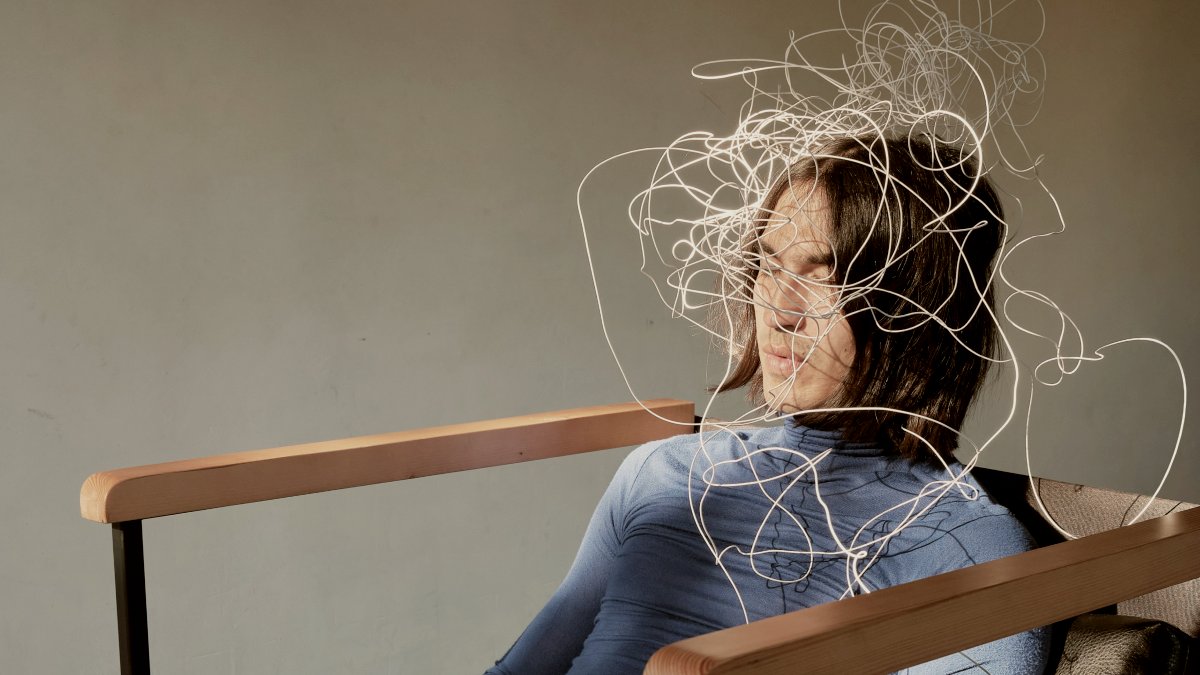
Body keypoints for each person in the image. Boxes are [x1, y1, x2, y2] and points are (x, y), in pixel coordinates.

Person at [486, 133, 1050, 675]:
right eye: (771, 264)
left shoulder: (959, 546)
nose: (780, 309)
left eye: (825, 274)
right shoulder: (663, 472)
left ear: (917, 307)